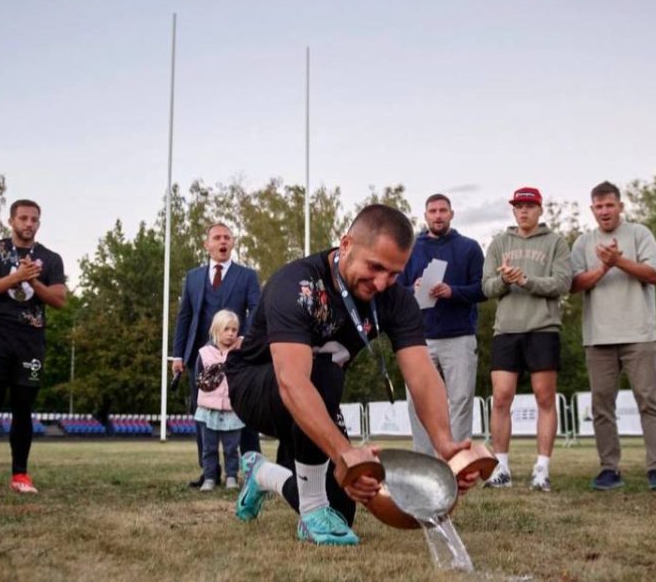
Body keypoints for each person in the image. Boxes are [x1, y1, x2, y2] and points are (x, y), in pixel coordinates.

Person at [225, 204, 477, 546]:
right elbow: (292, 381)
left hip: (316, 394)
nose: (381, 282)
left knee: (342, 511)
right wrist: (345, 453)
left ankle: (262, 474)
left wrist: (445, 443)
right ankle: (312, 507)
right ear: (346, 245)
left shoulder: (396, 299)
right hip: (257, 387)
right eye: (374, 267)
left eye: (393, 273)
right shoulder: (297, 284)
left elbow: (421, 373)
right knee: (325, 375)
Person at [570, 181, 656, 491]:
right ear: (592, 210)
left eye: (609, 205)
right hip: (598, 337)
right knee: (602, 406)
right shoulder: (583, 242)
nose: (604, 211)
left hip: (639, 333)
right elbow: (573, 285)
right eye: (598, 207)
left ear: (620, 206)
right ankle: (609, 469)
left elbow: (655, 274)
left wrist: (619, 261)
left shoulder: (640, 234)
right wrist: (603, 267)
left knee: (649, 401)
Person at [0, 199, 66, 494]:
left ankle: (20, 475)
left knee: (23, 407)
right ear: (11, 221)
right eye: (23, 218)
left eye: (34, 219)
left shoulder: (50, 258)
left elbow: (60, 300)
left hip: (30, 338)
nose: (29, 224)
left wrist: (33, 282)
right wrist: (16, 277)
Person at [482, 187, 570, 491]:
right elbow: (487, 287)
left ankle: (541, 469)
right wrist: (505, 281)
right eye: (519, 206)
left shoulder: (555, 241)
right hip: (506, 329)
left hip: (543, 328)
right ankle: (501, 468)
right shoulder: (499, 242)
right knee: (501, 397)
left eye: (529, 206)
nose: (524, 211)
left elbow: (563, 283)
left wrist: (525, 280)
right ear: (513, 210)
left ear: (539, 209)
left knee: (545, 398)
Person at [172, 222, 261, 487]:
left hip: (237, 357)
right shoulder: (193, 277)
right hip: (201, 357)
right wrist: (178, 355)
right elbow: (184, 317)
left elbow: (257, 310)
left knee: (244, 411)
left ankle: (252, 469)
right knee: (202, 413)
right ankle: (209, 472)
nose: (222, 242)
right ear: (207, 244)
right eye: (217, 237)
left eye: (227, 237)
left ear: (232, 243)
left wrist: (244, 339)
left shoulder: (247, 276)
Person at [398, 194, 486, 455]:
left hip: (459, 336)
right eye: (433, 211)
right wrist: (409, 289)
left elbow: (483, 289)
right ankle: (424, 463)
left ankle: (457, 461)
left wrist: (453, 292)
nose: (438, 215)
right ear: (425, 216)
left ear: (451, 214)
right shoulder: (411, 249)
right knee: (418, 402)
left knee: (460, 400)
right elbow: (392, 288)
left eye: (442, 210)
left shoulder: (469, 248)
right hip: (419, 339)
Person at [196, 309, 245, 491]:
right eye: (226, 329)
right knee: (209, 448)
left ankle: (231, 476)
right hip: (208, 410)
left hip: (232, 410)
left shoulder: (240, 351)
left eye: (234, 330)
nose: (231, 333)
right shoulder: (205, 353)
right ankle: (209, 477)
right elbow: (198, 380)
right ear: (216, 330)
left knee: (231, 448)